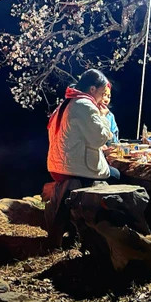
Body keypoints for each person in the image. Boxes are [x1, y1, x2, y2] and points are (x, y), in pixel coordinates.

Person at [44, 68, 114, 247]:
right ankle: (104, 233)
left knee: (113, 174)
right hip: (75, 168)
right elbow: (99, 138)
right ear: (92, 89)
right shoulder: (84, 105)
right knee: (117, 176)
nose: (103, 97)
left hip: (57, 165)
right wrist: (103, 116)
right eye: (102, 92)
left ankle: (74, 230)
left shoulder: (67, 102)